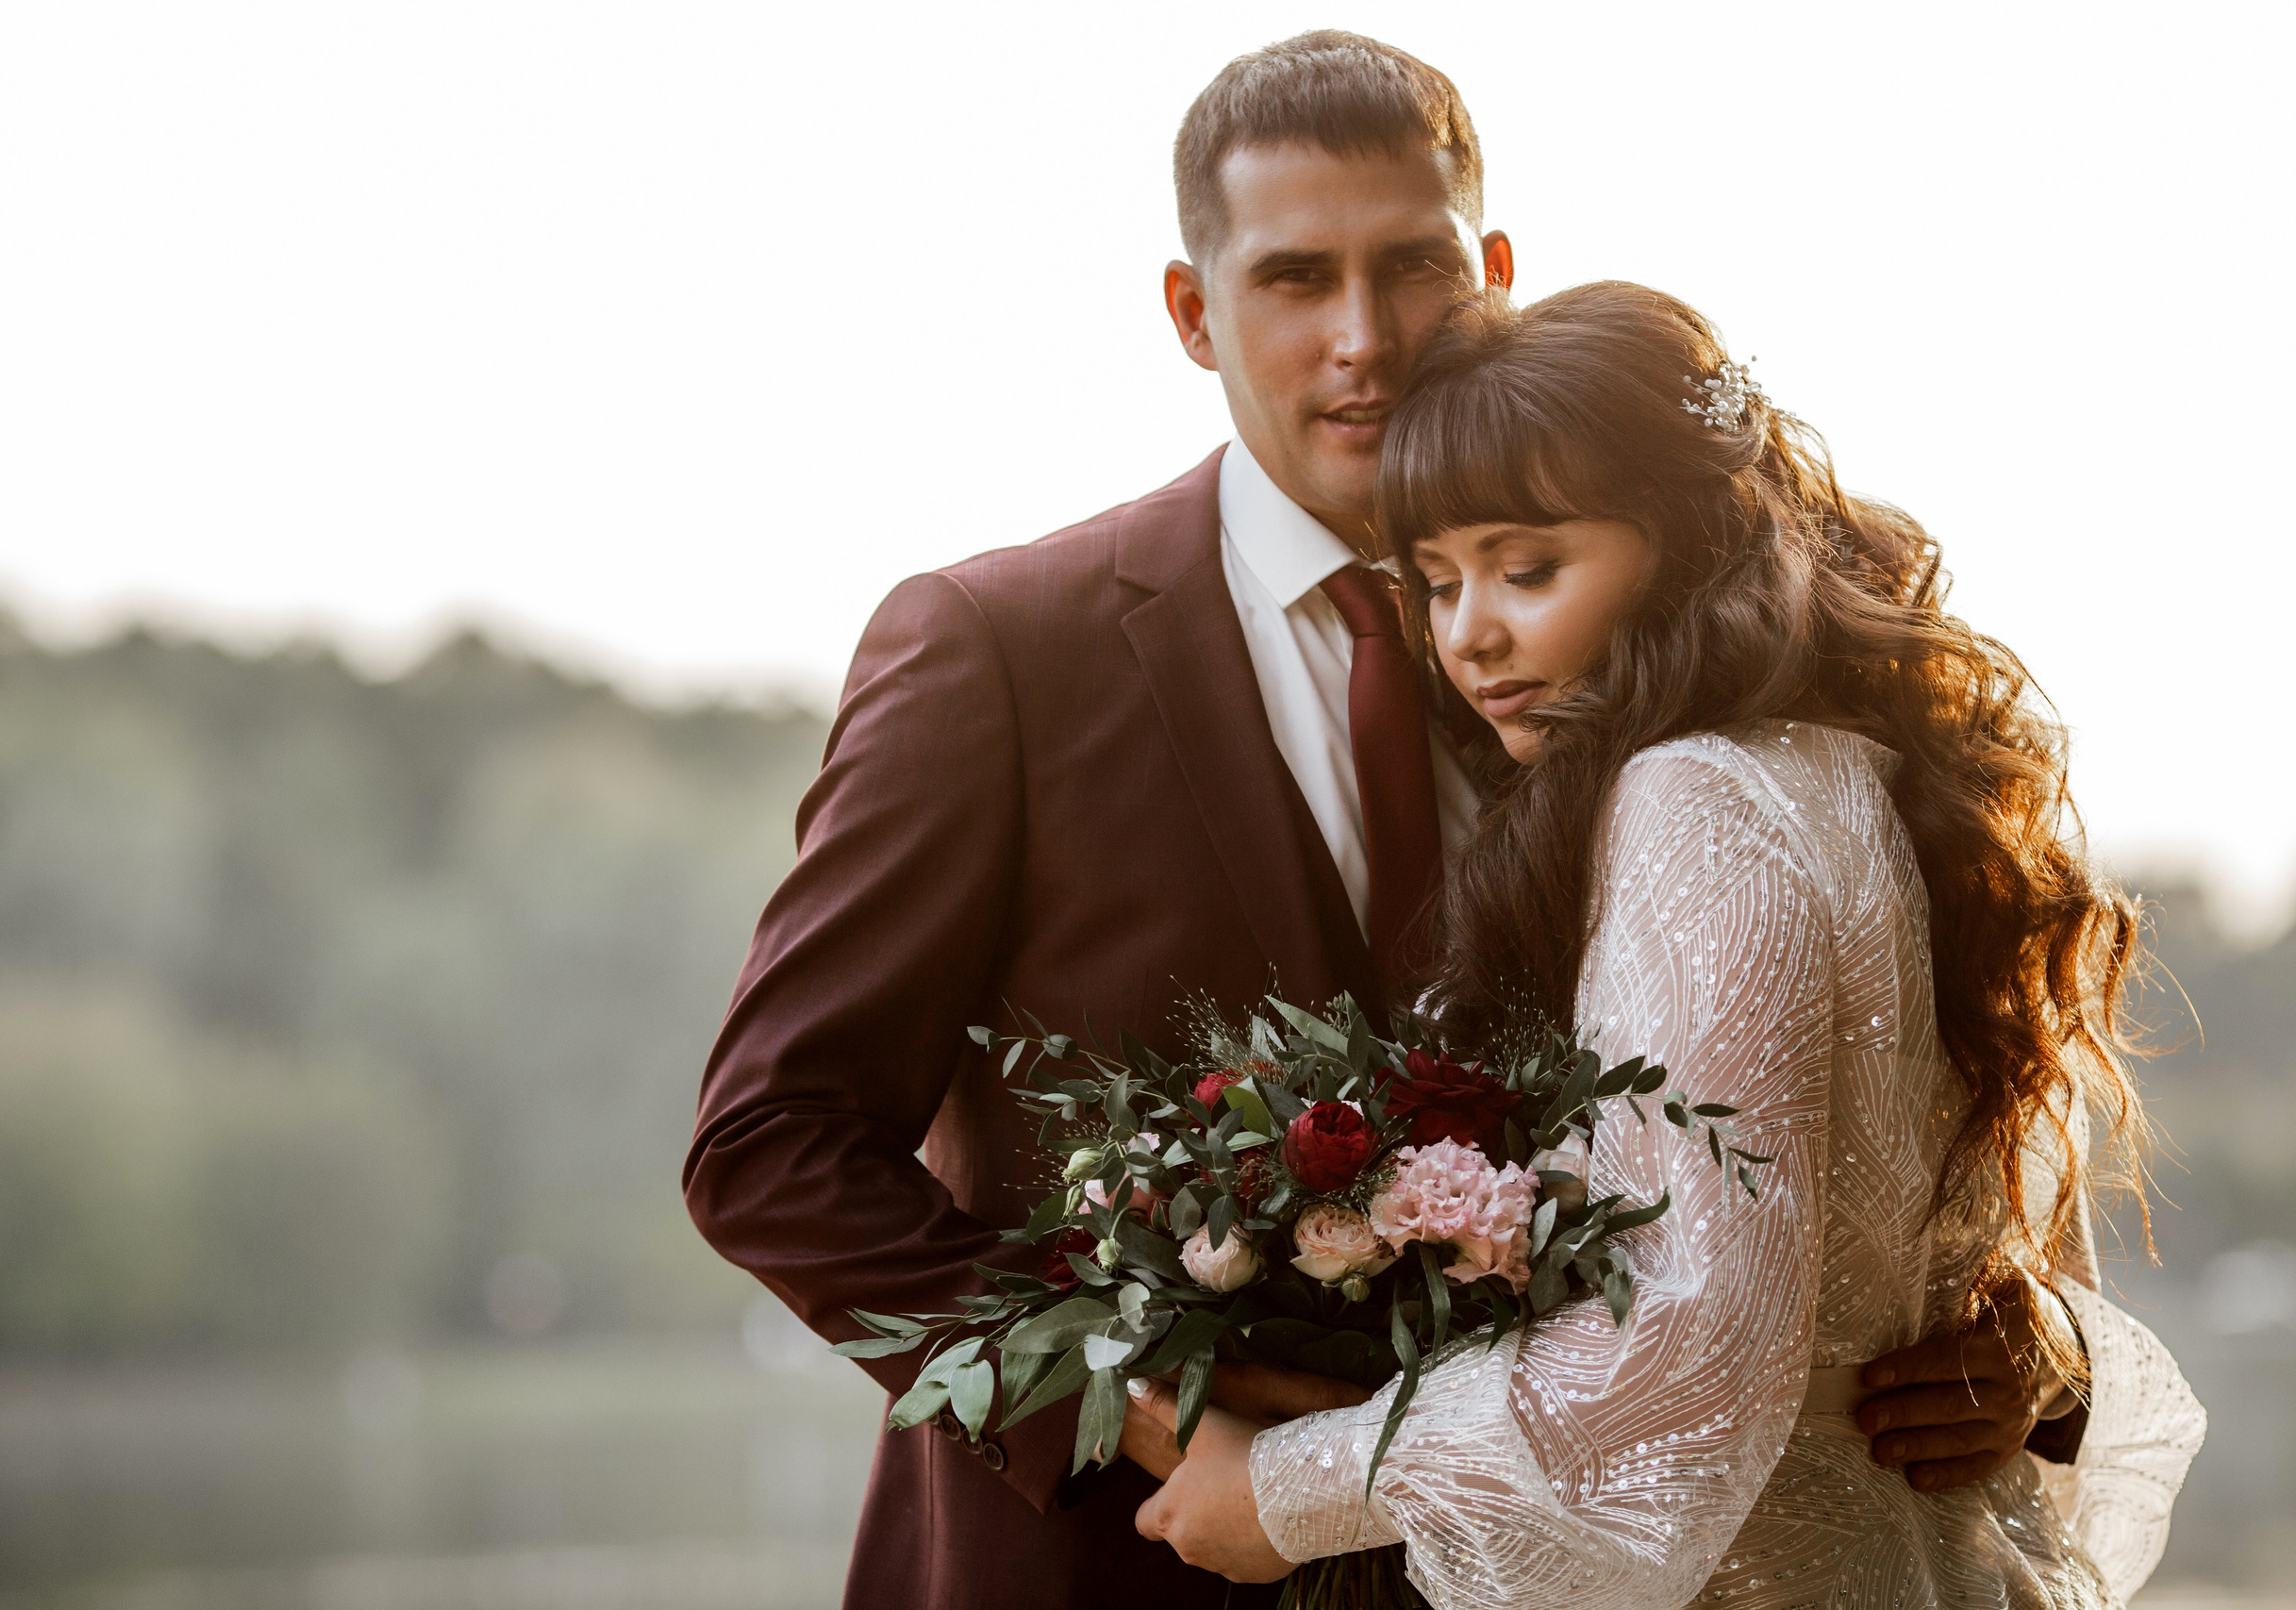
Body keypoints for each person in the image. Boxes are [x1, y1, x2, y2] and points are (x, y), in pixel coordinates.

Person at [687, 33, 2088, 1609]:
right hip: (1108, 1565)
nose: (1362, 338)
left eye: (1414, 267)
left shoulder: (1665, 690)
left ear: (1491, 277)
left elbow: (1839, 1119)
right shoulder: (998, 649)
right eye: (1295, 279)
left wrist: (2029, 1336)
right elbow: (771, 1147)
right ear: (1192, 312)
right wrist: (1139, 1406)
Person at [1124, 283, 2205, 1607]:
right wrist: (2050, 1357)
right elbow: (2021, 1286)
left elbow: (1687, 1328)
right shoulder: (1884, 784)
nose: (1468, 634)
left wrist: (1288, 1492)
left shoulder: (1697, 799)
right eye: (1438, 581)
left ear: (1688, 548)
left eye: (1528, 570)